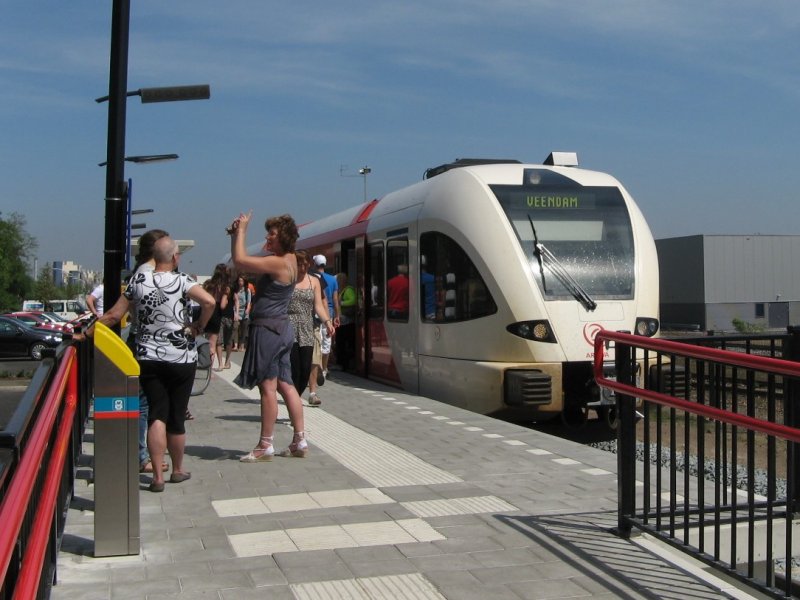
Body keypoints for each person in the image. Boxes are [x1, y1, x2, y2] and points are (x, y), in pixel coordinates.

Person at [99, 236, 216, 492]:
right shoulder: (184, 280)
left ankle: (157, 477)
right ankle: (177, 470)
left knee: (156, 414)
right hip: (181, 357)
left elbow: (114, 315)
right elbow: (209, 302)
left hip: (149, 357)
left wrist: (87, 332)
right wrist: (198, 326)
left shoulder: (138, 280)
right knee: (177, 416)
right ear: (175, 258)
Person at [227, 212, 334, 462]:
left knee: (268, 387)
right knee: (287, 386)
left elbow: (240, 260)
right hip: (283, 329)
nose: (267, 237)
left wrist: (242, 230)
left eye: (272, 234)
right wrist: (235, 236)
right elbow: (239, 261)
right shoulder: (290, 261)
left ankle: (265, 444)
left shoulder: (278, 263)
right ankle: (299, 440)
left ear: (283, 237)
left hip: (268, 329)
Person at [125, 228, 170, 474]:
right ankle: (142, 456)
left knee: (145, 402)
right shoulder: (148, 276)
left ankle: (143, 454)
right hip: (147, 344)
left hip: (140, 340)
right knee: (145, 404)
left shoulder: (139, 274)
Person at [287, 251, 331, 404]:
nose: (303, 268)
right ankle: (294, 403)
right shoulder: (288, 281)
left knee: (306, 368)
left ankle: (293, 398)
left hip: (307, 326)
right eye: (300, 265)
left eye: (306, 265)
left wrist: (327, 321)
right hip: (289, 326)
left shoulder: (314, 282)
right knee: (295, 368)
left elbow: (318, 306)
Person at [310, 254, 339, 383]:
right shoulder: (333, 279)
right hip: (329, 314)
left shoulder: (312, 278)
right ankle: (324, 368)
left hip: (315, 314)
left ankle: (318, 368)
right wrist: (337, 315)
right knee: (326, 344)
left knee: (317, 343)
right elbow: (335, 299)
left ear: (314, 264)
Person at [202, 264, 228, 370]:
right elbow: (222, 305)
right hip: (216, 314)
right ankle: (210, 371)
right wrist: (226, 301)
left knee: (205, 340)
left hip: (207, 313)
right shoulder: (225, 288)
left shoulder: (209, 284)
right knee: (212, 344)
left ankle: (202, 361)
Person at [335, 272, 356, 370]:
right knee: (341, 343)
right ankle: (342, 363)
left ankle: (345, 364)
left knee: (343, 343)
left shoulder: (348, 290)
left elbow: (353, 300)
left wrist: (340, 302)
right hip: (343, 322)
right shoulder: (342, 290)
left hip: (347, 322)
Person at [232, 275, 251, 351]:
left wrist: (248, 309)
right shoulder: (235, 290)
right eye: (239, 281)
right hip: (236, 311)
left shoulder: (247, 290)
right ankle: (236, 345)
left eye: (242, 281)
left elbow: (249, 301)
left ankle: (242, 345)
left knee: (244, 329)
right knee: (235, 328)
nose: (240, 282)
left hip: (244, 311)